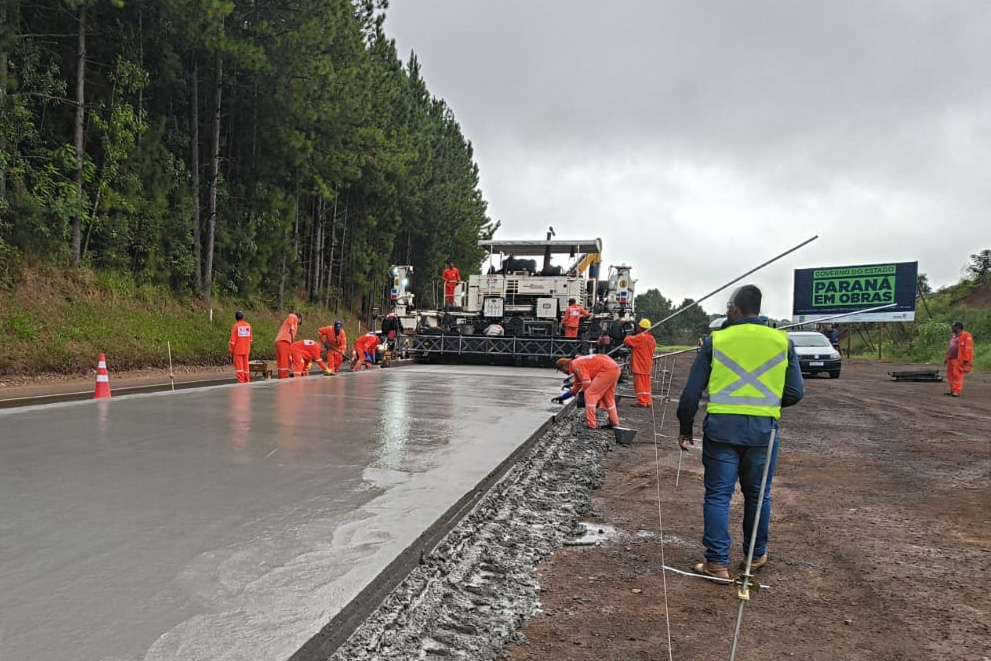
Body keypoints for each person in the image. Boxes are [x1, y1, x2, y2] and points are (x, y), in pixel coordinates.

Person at [676, 284, 804, 580]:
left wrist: (685, 425)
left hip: (722, 429)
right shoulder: (782, 341)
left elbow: (692, 391)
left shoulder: (717, 340)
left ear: (735, 308)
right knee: (758, 496)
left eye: (728, 306)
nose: (726, 311)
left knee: (718, 496)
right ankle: (755, 556)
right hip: (763, 432)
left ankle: (717, 564)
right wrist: (767, 402)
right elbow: (796, 392)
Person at [553, 354, 622, 430]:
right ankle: (614, 423)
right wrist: (563, 397)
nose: (564, 373)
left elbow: (586, 382)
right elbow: (577, 386)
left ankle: (591, 424)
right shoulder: (578, 363)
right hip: (614, 368)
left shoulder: (576, 365)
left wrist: (582, 393)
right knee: (608, 398)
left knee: (590, 394)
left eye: (562, 371)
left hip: (606, 370)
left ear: (563, 367)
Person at [624, 318, 657, 407]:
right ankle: (647, 401)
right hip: (647, 364)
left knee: (639, 384)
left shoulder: (641, 337)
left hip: (640, 364)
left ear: (641, 328)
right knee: (646, 384)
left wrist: (628, 334)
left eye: (638, 326)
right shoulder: (652, 339)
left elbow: (627, 341)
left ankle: (641, 402)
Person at [945, 322, 974, 397]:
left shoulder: (966, 335)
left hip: (958, 359)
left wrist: (966, 359)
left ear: (958, 328)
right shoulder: (954, 336)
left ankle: (956, 391)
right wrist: (946, 357)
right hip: (951, 358)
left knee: (957, 375)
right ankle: (952, 389)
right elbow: (950, 347)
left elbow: (968, 348)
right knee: (950, 375)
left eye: (953, 327)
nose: (952, 329)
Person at [275, 312, 302, 379]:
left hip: (279, 341)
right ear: (299, 318)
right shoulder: (293, 317)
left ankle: (281, 376)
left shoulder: (289, 322)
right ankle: (284, 377)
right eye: (299, 322)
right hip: (285, 341)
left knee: (281, 361)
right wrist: (292, 326)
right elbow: (291, 316)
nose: (298, 324)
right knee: (286, 360)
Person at [228, 311, 253, 383]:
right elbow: (250, 339)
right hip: (246, 350)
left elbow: (232, 341)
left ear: (236, 318)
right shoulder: (248, 326)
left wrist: (230, 351)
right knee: (246, 367)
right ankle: (247, 380)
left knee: (239, 368)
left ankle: (241, 382)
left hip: (238, 350)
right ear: (243, 317)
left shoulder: (236, 326)